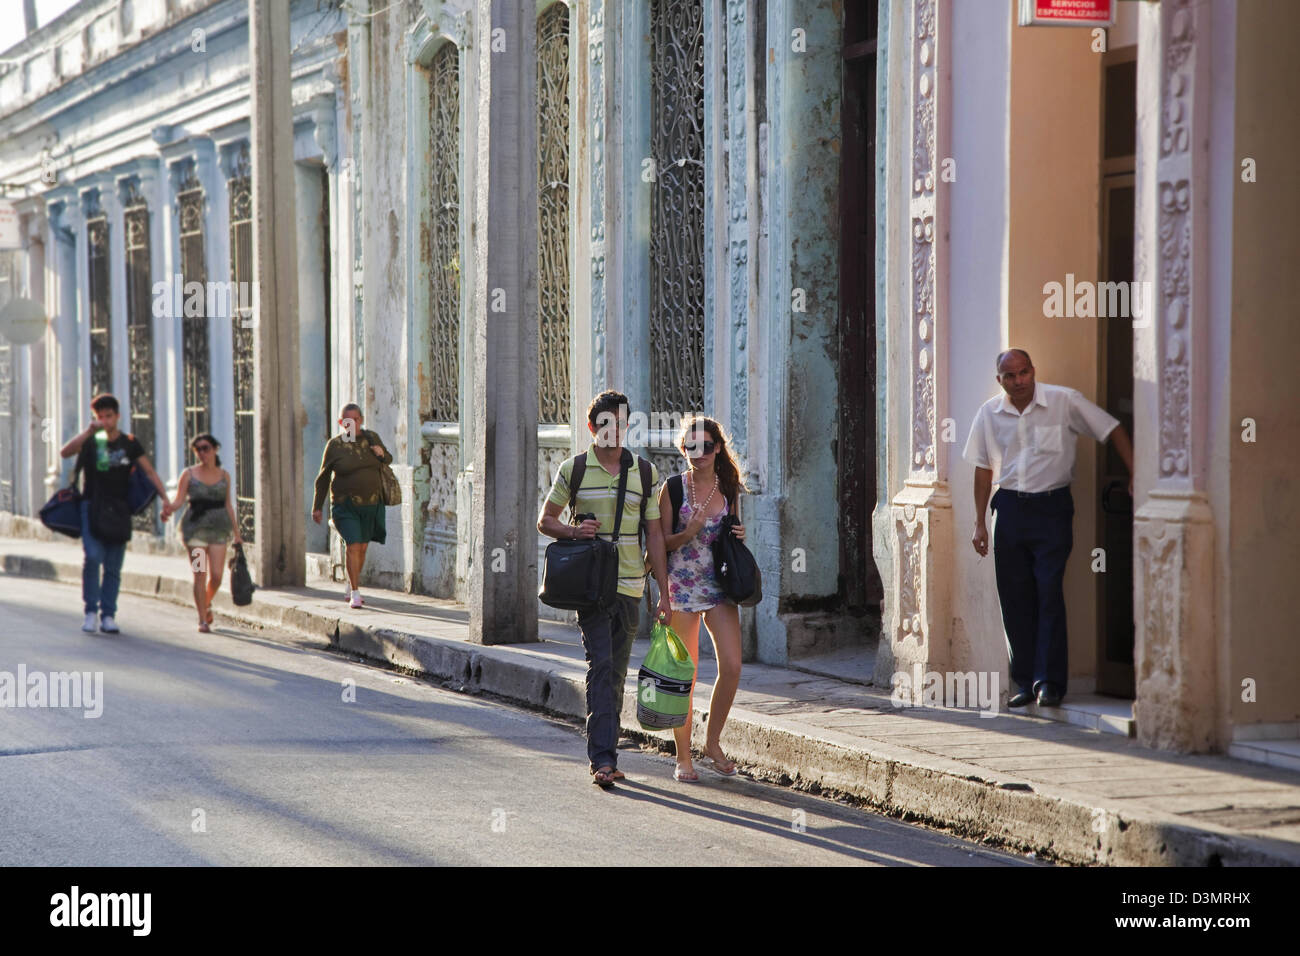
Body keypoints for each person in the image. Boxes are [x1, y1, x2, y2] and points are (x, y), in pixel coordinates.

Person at [963, 349, 1134, 708]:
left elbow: (1111, 429)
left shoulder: (1063, 401)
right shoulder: (989, 413)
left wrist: (1136, 473)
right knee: (1014, 597)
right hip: (1009, 509)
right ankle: (1024, 681)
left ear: (1033, 370)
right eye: (1010, 376)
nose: (1019, 381)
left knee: (1049, 590)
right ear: (999, 380)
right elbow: (982, 469)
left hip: (1051, 508)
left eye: (1024, 372)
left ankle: (1050, 682)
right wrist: (979, 523)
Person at [537, 390, 672, 788]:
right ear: (592, 427)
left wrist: (664, 593)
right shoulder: (574, 469)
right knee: (600, 665)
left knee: (615, 672)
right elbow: (545, 520)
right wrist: (574, 531)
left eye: (620, 423)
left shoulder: (644, 472)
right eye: (605, 424)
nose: (613, 430)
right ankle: (602, 759)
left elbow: (655, 535)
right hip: (591, 588)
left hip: (630, 586)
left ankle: (607, 753)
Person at [659, 416, 749, 782]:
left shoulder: (729, 487)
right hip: (681, 587)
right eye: (691, 447)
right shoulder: (673, 489)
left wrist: (738, 534)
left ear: (718, 448)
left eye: (706, 446)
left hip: (719, 586)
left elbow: (732, 536)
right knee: (685, 674)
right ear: (683, 450)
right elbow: (660, 543)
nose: (699, 453)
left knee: (732, 665)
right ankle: (683, 757)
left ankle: (712, 743)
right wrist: (689, 532)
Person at [58, 393, 169, 634]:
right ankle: (90, 611)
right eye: (100, 416)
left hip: (119, 508)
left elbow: (149, 472)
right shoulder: (92, 441)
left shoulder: (129, 443)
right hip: (92, 506)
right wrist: (89, 432)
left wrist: (166, 499)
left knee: (113, 565)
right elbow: (65, 452)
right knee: (93, 556)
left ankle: (108, 615)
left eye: (109, 416)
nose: (105, 421)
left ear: (117, 416)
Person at [312, 403, 393, 609]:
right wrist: (317, 506)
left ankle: (351, 581)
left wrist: (381, 453)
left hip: (371, 504)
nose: (352, 424)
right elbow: (323, 478)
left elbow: (388, 459)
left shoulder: (371, 438)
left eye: (356, 419)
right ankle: (355, 592)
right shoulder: (335, 445)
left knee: (363, 547)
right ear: (341, 423)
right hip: (345, 505)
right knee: (353, 545)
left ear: (361, 420)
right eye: (347, 421)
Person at [160, 434, 240, 633]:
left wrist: (237, 534)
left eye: (205, 448)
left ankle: (206, 602)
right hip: (194, 531)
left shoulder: (224, 476)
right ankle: (202, 619)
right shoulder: (188, 474)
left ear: (215, 449)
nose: (202, 453)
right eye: (197, 449)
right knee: (200, 574)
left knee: (217, 576)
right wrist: (168, 509)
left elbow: (228, 505)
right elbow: (179, 500)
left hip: (219, 530)